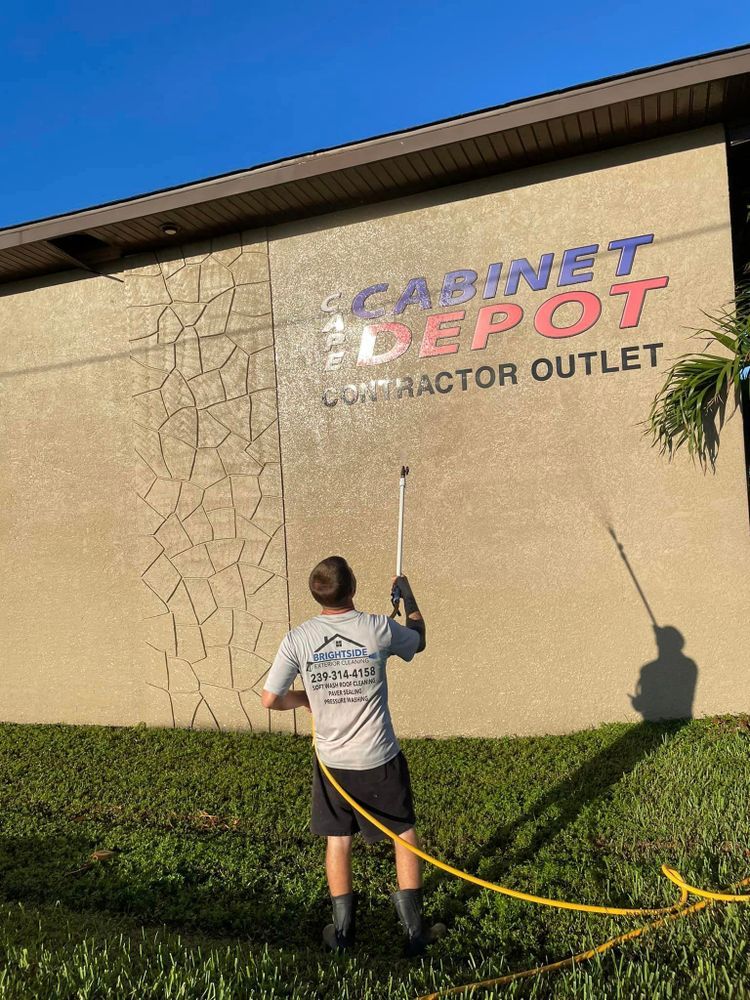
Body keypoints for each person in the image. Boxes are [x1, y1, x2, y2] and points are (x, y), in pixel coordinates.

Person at [261, 555, 445, 957]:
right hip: (380, 757)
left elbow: (270, 699)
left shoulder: (298, 638)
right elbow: (419, 636)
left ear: (316, 594)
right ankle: (415, 935)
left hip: (332, 763)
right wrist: (408, 595)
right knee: (403, 835)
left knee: (338, 840)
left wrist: (305, 698)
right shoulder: (378, 629)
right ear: (354, 588)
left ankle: (343, 936)